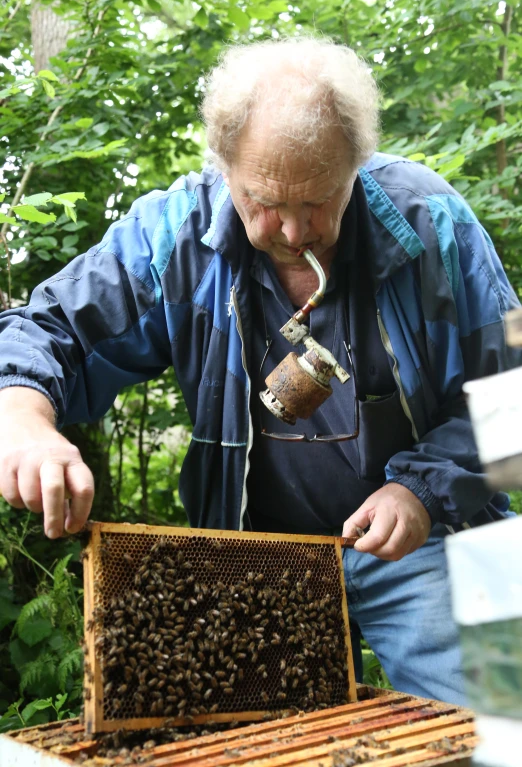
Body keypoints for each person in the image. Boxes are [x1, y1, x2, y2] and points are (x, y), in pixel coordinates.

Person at [0, 38, 519, 705]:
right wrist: (21, 414)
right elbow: (46, 330)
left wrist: (423, 490)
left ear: (356, 166)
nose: (297, 230)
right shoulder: (173, 237)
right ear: (224, 166)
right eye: (267, 200)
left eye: (321, 199)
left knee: (496, 729)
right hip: (256, 559)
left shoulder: (431, 223)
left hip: (425, 543)